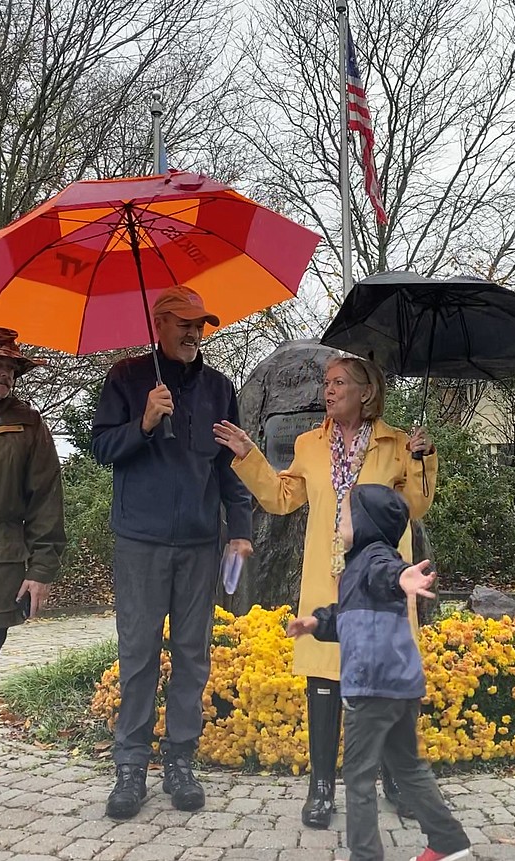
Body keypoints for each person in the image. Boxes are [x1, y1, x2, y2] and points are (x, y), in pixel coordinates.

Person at [213, 355, 437, 828]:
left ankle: (397, 781)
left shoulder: (397, 444)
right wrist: (247, 455)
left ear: (365, 392)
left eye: (338, 383)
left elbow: (414, 509)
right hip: (326, 577)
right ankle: (320, 788)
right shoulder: (309, 445)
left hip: (380, 582)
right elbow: (279, 498)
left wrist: (422, 459)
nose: (328, 390)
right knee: (323, 680)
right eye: (327, 382)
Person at [92, 285, 253, 821]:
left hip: (200, 544)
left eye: (200, 324)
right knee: (138, 654)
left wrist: (240, 528)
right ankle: (131, 767)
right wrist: (143, 423)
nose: (193, 333)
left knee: (192, 654)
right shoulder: (126, 379)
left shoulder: (219, 388)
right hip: (139, 541)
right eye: (183, 323)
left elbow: (228, 466)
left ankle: (181, 760)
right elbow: (101, 449)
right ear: (158, 324)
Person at [288, 484, 470, 861]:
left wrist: (404, 577)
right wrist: (316, 622)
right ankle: (448, 841)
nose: (338, 521)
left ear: (368, 523)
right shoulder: (358, 568)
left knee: (357, 776)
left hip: (371, 688)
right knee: (407, 766)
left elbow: (390, 572)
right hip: (399, 687)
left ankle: (365, 854)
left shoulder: (373, 558)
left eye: (345, 515)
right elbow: (346, 619)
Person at [0, 327, 65, 821]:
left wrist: (42, 569)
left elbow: (46, 503)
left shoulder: (27, 426)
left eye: (12, 367)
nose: (5, 373)